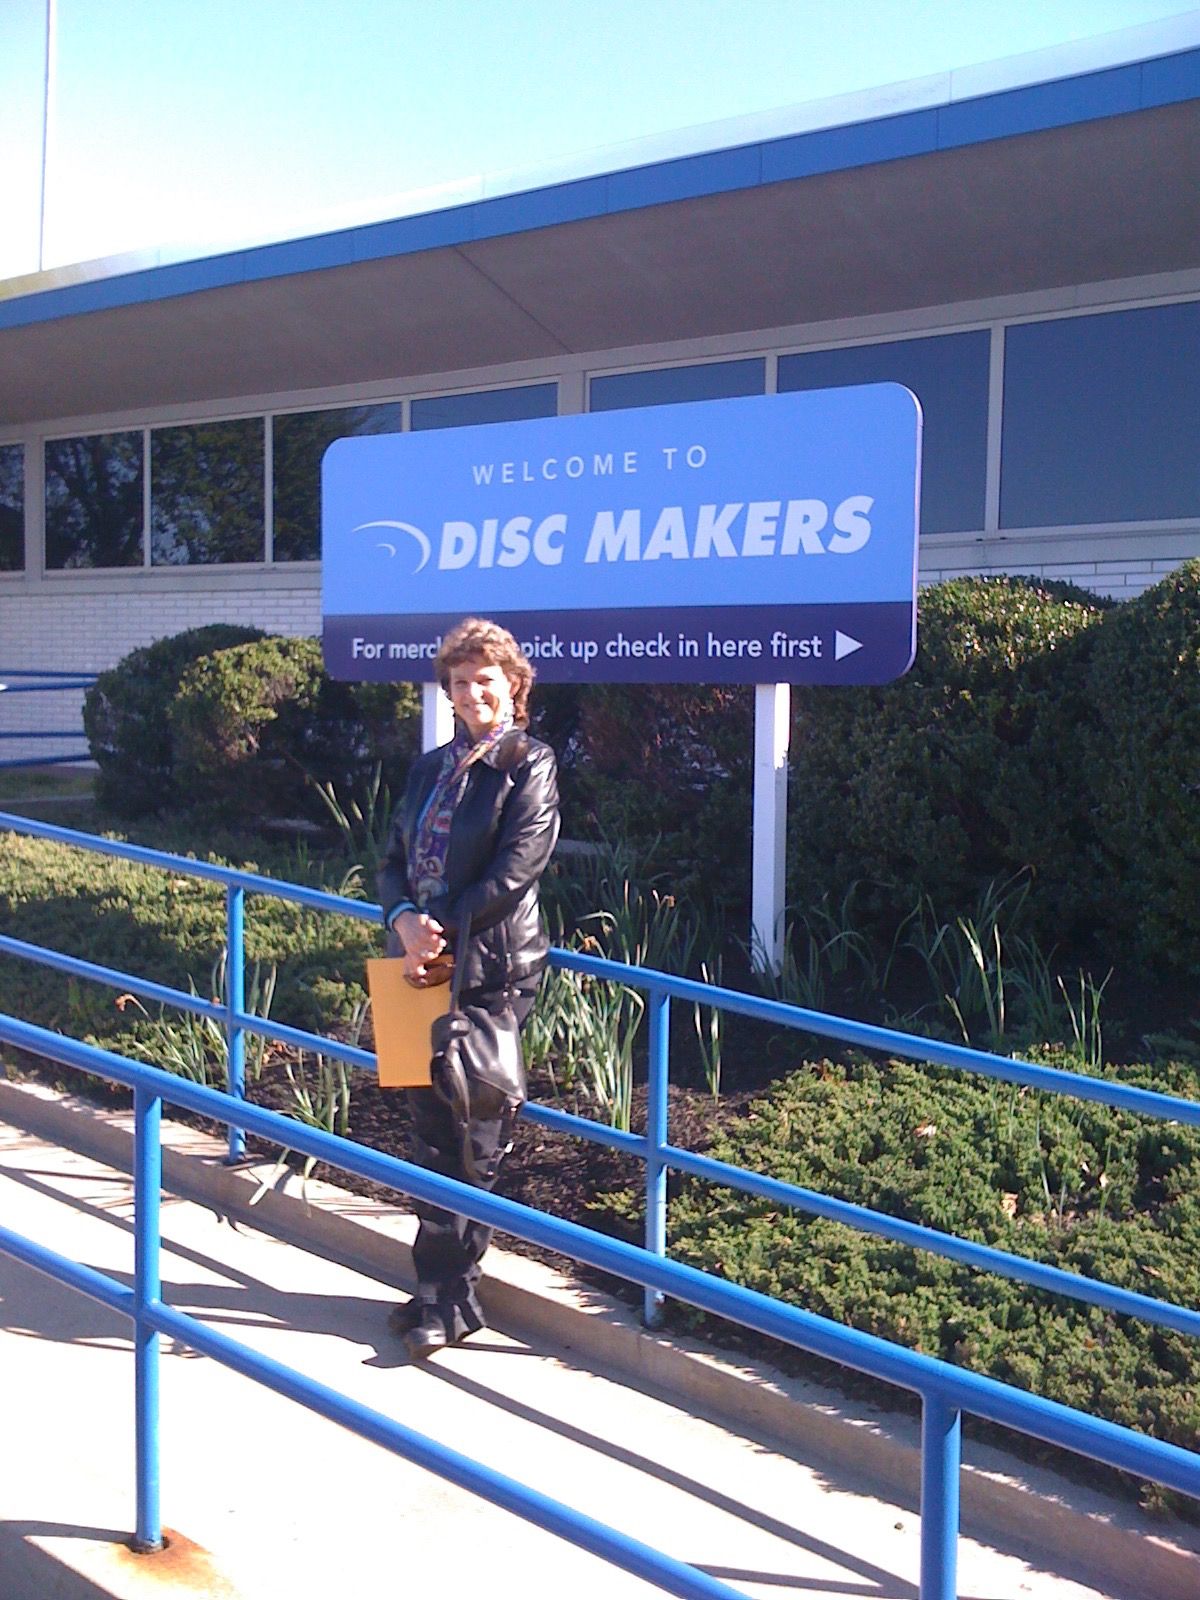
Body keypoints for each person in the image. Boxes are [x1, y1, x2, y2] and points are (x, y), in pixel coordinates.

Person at [377, 617, 560, 1358]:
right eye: (459, 682)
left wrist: (439, 928)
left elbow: (516, 870)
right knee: (426, 1132)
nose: (471, 692)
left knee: (474, 1130)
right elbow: (390, 860)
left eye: (485, 679)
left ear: (513, 686)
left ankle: (455, 1297)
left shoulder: (529, 763)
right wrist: (402, 919)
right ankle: (431, 1288)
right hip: (412, 965)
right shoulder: (428, 769)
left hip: (487, 971)